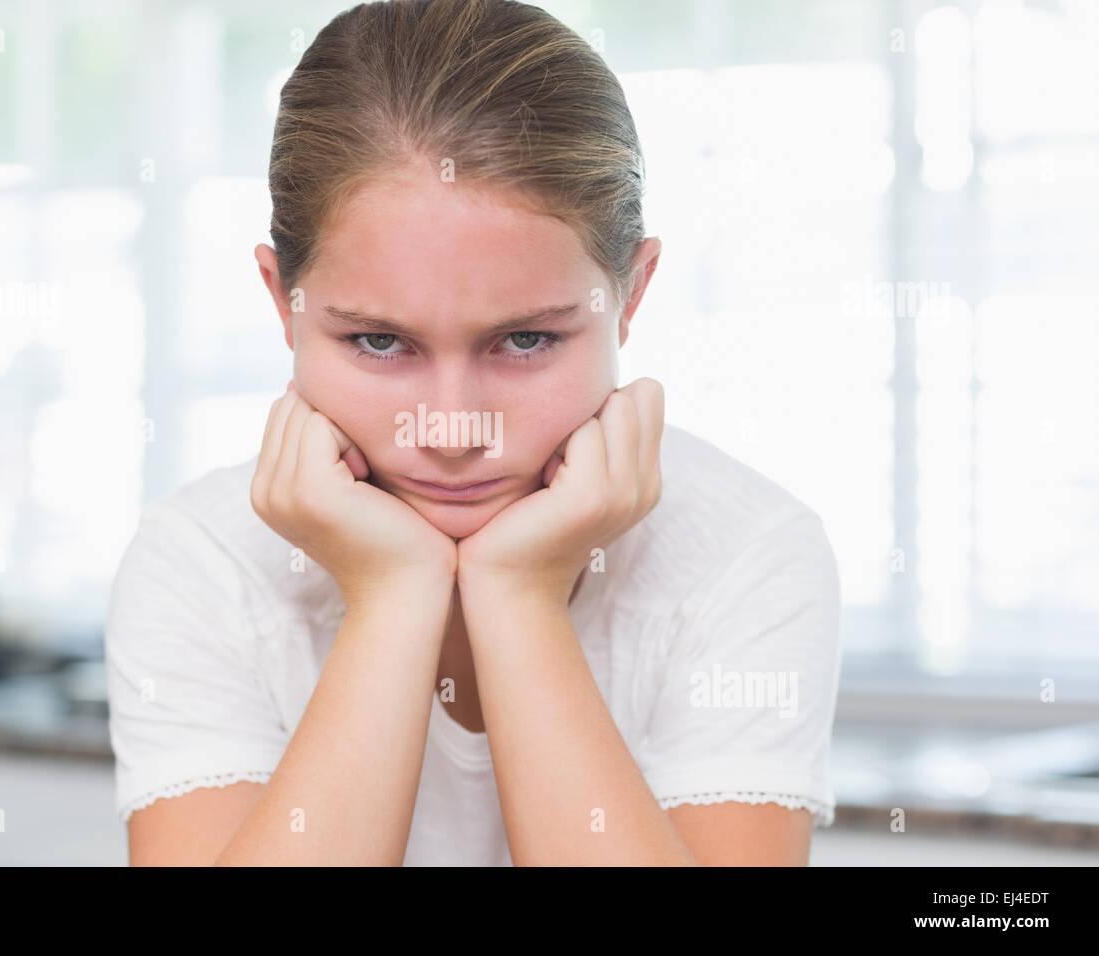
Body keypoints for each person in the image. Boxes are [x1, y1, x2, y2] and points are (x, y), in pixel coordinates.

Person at [106, 0, 841, 866]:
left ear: (630, 298)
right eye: (380, 341)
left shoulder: (747, 556)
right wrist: (391, 595)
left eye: (525, 339)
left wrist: (520, 596)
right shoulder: (201, 562)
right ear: (284, 303)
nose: (451, 429)